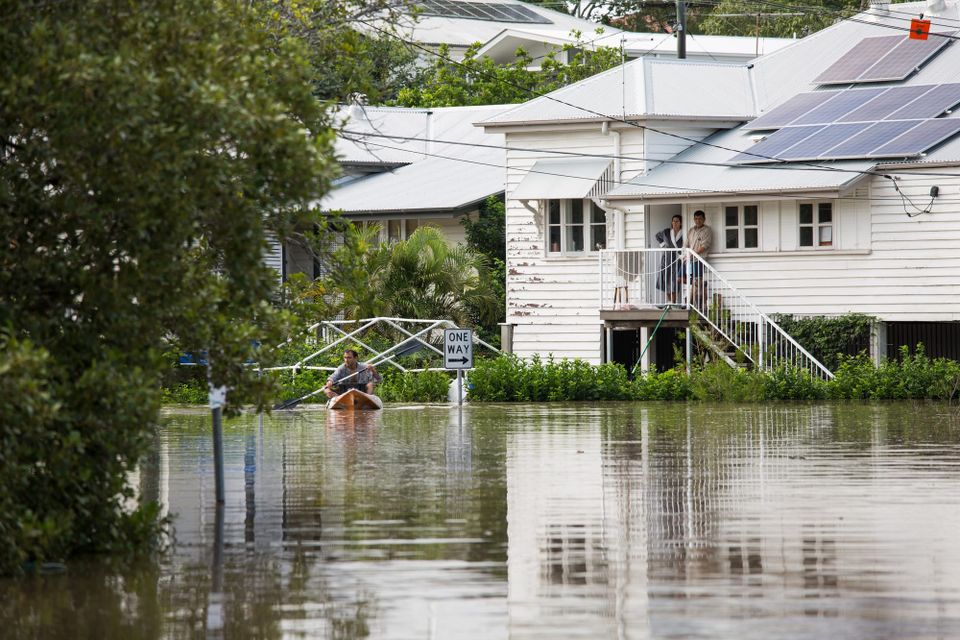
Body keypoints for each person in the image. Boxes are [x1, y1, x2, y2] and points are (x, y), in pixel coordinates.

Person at [684, 210, 713, 310]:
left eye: (700, 218)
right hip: (689, 260)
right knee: (681, 278)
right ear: (694, 219)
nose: (698, 220)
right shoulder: (691, 230)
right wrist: (686, 255)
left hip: (699, 260)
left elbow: (705, 245)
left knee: (697, 281)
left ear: (704, 219)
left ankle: (693, 303)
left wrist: (693, 254)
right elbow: (686, 244)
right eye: (696, 219)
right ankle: (691, 300)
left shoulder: (707, 230)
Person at [654, 214, 684, 304]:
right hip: (666, 258)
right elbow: (657, 236)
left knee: (674, 281)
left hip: (677, 259)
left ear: (681, 223)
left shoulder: (683, 233)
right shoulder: (666, 232)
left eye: (677, 221)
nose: (675, 223)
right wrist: (663, 245)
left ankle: (674, 302)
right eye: (673, 221)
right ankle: (669, 302)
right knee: (666, 279)